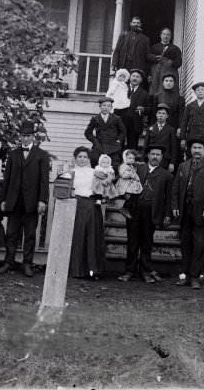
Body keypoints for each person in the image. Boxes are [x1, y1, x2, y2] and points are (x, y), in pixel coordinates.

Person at [0, 120, 49, 278]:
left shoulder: (41, 155)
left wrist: (42, 200)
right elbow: (6, 178)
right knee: (11, 233)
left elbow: (44, 180)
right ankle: (9, 261)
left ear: (33, 137)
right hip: (14, 200)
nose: (25, 139)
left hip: (32, 202)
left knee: (30, 235)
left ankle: (27, 263)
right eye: (23, 136)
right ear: (20, 137)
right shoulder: (13, 154)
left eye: (28, 136)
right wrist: (4, 199)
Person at [119, 144, 173, 284]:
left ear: (161, 157)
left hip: (151, 212)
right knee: (132, 241)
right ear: (148, 155)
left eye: (158, 155)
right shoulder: (137, 169)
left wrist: (167, 215)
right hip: (134, 210)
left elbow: (168, 198)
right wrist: (124, 194)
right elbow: (124, 180)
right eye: (152, 154)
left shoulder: (166, 175)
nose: (155, 157)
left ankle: (145, 271)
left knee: (147, 242)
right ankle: (129, 271)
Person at [172, 139, 204, 289]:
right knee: (185, 244)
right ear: (190, 150)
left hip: (201, 212)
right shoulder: (183, 166)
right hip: (185, 210)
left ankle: (195, 277)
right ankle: (185, 275)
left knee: (199, 245)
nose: (197, 150)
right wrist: (175, 206)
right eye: (194, 148)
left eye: (200, 148)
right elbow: (175, 189)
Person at [68, 145, 106, 280]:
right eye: (80, 157)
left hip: (91, 205)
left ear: (89, 159)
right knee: (78, 236)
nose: (82, 159)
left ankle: (93, 270)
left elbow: (103, 185)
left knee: (92, 237)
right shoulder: (71, 172)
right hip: (76, 205)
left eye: (85, 157)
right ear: (75, 158)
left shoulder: (94, 172)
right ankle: (77, 270)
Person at [83, 97, 126, 167]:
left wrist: (118, 141)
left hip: (113, 147)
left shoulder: (116, 118)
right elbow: (87, 133)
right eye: (104, 105)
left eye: (108, 106)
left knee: (114, 166)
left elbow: (123, 131)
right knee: (95, 163)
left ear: (111, 107)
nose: (106, 108)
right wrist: (95, 141)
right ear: (100, 106)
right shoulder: (95, 118)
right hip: (99, 146)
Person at [179, 82, 204, 156]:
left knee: (203, 159)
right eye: (198, 90)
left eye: (202, 90)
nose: (200, 91)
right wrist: (183, 138)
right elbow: (184, 123)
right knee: (190, 157)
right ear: (195, 92)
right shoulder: (189, 106)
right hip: (191, 137)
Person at [144, 103, 179, 173]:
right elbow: (145, 146)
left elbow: (173, 147)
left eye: (163, 113)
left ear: (167, 116)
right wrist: (143, 160)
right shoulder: (150, 128)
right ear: (156, 115)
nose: (161, 115)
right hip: (152, 158)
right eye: (159, 113)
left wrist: (172, 163)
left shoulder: (171, 130)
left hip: (165, 160)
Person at [147, 28, 183, 93]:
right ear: (161, 35)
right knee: (155, 90)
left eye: (168, 35)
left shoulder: (175, 49)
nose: (166, 36)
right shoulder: (154, 47)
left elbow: (179, 62)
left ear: (170, 36)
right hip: (156, 73)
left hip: (169, 73)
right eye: (164, 34)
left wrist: (170, 62)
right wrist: (155, 58)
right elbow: (148, 59)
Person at [151, 73, 185, 138]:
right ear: (163, 83)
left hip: (173, 127)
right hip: (159, 127)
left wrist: (180, 128)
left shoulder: (180, 98)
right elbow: (153, 113)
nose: (168, 83)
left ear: (174, 83)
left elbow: (181, 115)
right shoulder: (156, 96)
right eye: (166, 81)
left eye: (171, 81)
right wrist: (152, 126)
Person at [125, 68, 150, 151]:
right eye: (133, 76)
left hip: (135, 124)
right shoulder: (122, 89)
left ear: (141, 80)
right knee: (119, 145)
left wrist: (143, 109)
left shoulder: (144, 94)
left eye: (138, 77)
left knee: (132, 147)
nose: (135, 78)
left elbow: (149, 109)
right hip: (121, 122)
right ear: (129, 78)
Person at [117, 148, 144, 220]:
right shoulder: (123, 166)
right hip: (125, 185)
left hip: (131, 185)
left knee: (134, 197)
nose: (131, 160)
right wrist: (131, 175)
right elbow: (122, 175)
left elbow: (134, 173)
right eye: (129, 158)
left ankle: (128, 209)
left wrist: (136, 177)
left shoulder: (131, 166)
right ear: (125, 158)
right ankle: (124, 208)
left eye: (133, 158)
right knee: (130, 197)